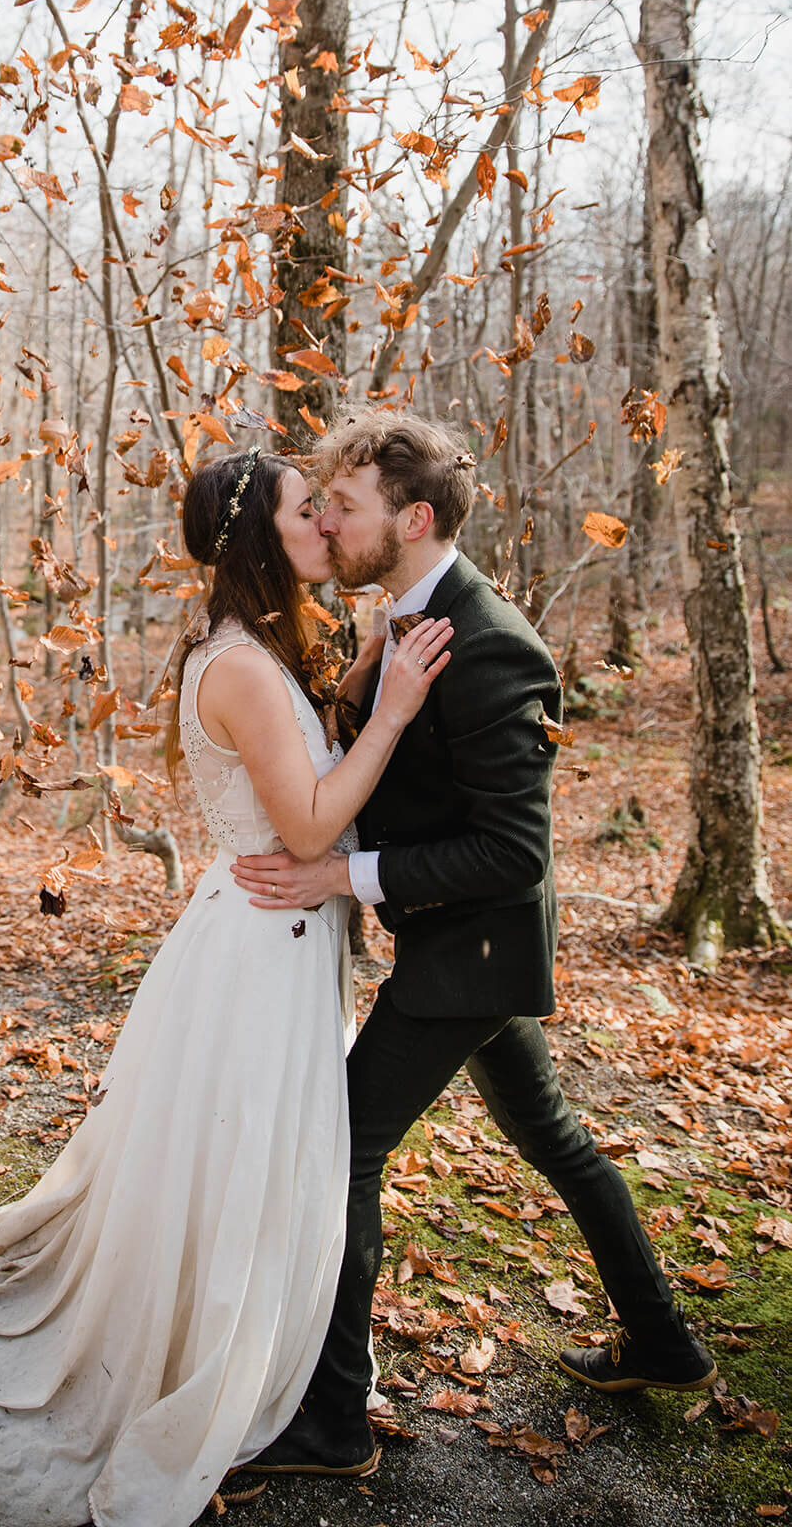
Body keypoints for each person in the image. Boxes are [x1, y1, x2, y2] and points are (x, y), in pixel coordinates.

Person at [0, 446, 453, 1527]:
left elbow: (294, 757)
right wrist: (390, 710)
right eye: (308, 510)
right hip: (258, 953)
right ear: (263, 537)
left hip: (269, 940)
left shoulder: (261, 648)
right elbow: (302, 823)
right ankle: (214, 1358)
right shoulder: (238, 664)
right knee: (243, 1155)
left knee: (240, 1157)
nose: (327, 525)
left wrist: (355, 675)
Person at [231, 406, 717, 1482]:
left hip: (471, 954)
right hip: (465, 948)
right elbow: (408, 779)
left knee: (344, 1146)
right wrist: (365, 686)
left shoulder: (490, 642)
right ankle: (664, 1342)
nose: (326, 520)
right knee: (552, 1136)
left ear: (408, 518)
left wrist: (339, 875)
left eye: (343, 506)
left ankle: (333, 1417)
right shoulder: (406, 621)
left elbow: (511, 853)